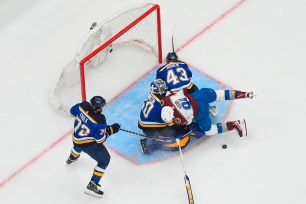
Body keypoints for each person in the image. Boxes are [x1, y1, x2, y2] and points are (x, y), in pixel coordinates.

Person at [66, 96, 120, 197]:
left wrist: (85, 119)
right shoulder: (100, 120)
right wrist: (110, 130)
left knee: (78, 144)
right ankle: (92, 185)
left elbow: (72, 112)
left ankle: (72, 157)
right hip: (87, 144)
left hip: (76, 137)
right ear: (98, 108)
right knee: (105, 160)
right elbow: (100, 140)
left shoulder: (83, 105)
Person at [161, 88, 254, 138]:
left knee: (209, 131)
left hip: (201, 110)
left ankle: (234, 124)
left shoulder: (179, 119)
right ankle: (243, 94)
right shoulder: (166, 101)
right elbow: (174, 93)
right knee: (218, 94)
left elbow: (189, 121)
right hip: (198, 95)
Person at [138, 79, 191, 154]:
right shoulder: (162, 103)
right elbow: (169, 122)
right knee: (176, 134)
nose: (166, 88)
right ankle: (152, 141)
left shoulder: (152, 95)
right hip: (149, 129)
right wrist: (182, 127)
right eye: (163, 88)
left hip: (144, 123)